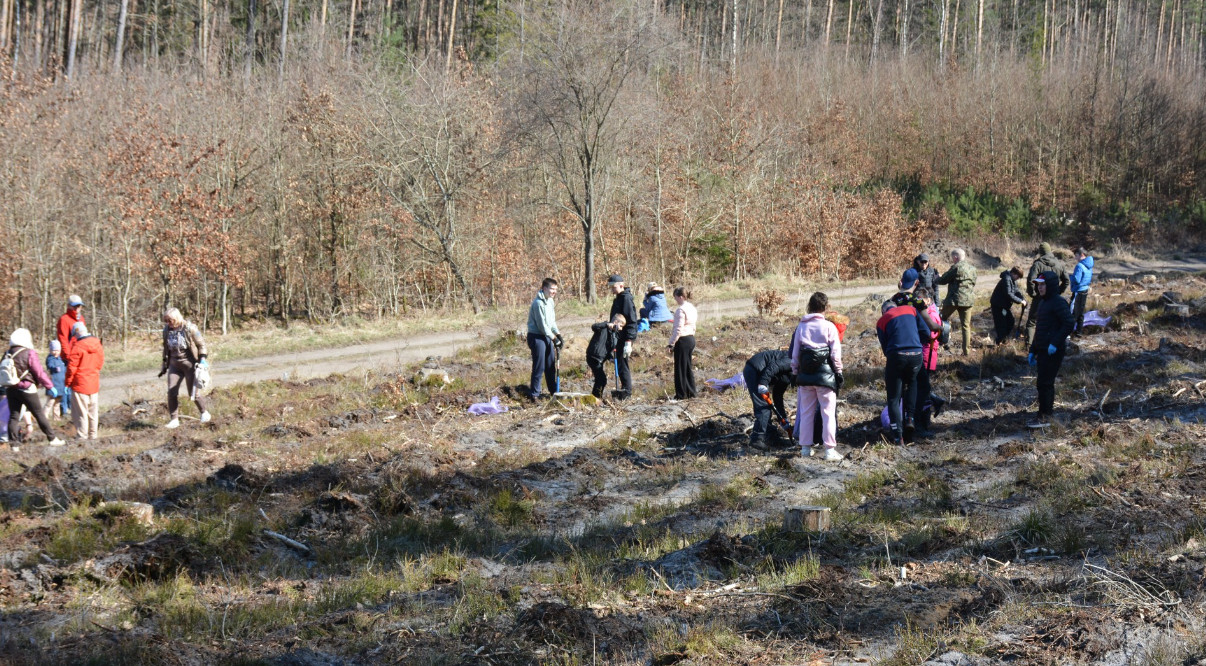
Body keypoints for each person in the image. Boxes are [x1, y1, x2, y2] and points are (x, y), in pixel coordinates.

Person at [792, 292, 844, 462]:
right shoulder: (830, 327)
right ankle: (829, 450)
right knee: (828, 412)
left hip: (805, 376)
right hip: (825, 377)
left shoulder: (801, 327)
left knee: (806, 412)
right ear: (825, 307)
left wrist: (795, 372)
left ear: (810, 306)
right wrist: (838, 372)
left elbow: (795, 354)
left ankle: (805, 449)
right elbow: (835, 354)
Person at [876, 288, 930, 444]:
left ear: (883, 311)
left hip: (896, 356)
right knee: (913, 383)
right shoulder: (912, 310)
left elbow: (886, 348)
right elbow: (926, 333)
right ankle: (910, 419)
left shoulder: (882, 321)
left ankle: (897, 436)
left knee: (894, 397)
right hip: (916, 355)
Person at [3, 329, 64, 449]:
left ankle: (14, 445)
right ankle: (52, 438)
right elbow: (39, 372)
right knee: (39, 414)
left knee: (14, 416)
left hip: (11, 388)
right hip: (27, 388)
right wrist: (50, 386)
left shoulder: (7, 353)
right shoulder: (29, 353)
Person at [1028, 271, 1075, 426]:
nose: (1040, 288)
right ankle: (1043, 413)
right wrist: (1033, 349)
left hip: (1053, 350)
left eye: (1042, 284)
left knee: (1046, 383)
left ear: (1051, 285)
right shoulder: (1042, 303)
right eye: (1038, 285)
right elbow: (1040, 328)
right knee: (1041, 383)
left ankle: (1045, 417)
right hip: (1042, 349)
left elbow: (1069, 323)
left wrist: (1055, 343)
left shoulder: (1058, 302)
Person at [159, 308, 211, 428]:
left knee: (193, 393)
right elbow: (165, 347)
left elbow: (201, 344)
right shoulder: (166, 330)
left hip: (189, 364)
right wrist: (164, 363)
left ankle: (204, 413)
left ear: (176, 319)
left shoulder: (189, 328)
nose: (168, 323)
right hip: (174, 365)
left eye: (170, 320)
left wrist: (202, 359)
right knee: (171, 392)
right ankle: (174, 419)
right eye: (166, 321)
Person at [743, 349, 794, 451]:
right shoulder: (792, 361)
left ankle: (771, 436)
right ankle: (757, 439)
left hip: (760, 372)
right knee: (763, 407)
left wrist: (783, 418)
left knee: (767, 406)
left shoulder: (789, 376)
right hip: (755, 369)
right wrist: (763, 383)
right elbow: (773, 367)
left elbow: (778, 396)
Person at [65, 323, 104, 440]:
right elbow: (100, 362)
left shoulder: (77, 347)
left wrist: (67, 383)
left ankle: (82, 436)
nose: (74, 338)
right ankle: (93, 435)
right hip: (93, 382)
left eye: (74, 335)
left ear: (77, 332)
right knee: (93, 412)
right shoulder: (97, 343)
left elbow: (72, 368)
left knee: (81, 413)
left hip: (80, 384)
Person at [1025, 242, 1069, 345]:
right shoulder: (1059, 263)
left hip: (1040, 297)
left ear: (1040, 252)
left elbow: (1031, 280)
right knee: (1052, 321)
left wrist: (1034, 294)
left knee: (1032, 322)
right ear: (1050, 251)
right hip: (1054, 297)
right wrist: (1059, 291)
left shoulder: (1037, 264)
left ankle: (1030, 345)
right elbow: (1066, 280)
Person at [525, 278, 563, 399]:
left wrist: (558, 335)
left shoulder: (550, 301)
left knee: (550, 365)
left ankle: (554, 392)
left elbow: (551, 322)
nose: (554, 292)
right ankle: (534, 394)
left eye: (555, 289)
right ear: (544, 288)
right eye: (552, 289)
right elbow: (542, 326)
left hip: (546, 336)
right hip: (536, 336)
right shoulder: (538, 303)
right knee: (539, 366)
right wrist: (553, 338)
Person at [935, 248, 977, 356]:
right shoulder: (973, 268)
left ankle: (937, 343)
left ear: (955, 257)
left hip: (954, 300)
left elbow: (943, 280)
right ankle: (966, 351)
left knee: (940, 319)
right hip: (968, 300)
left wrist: (937, 278)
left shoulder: (956, 267)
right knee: (966, 326)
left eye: (952, 257)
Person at [607, 275, 639, 399]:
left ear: (621, 285)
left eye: (613, 287)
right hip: (618, 337)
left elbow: (631, 321)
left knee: (622, 364)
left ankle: (627, 391)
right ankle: (624, 389)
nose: (612, 290)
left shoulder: (626, 299)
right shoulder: (618, 298)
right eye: (610, 287)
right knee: (619, 364)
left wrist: (629, 341)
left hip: (624, 337)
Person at [667, 286, 697, 400]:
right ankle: (691, 392)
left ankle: (681, 395)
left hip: (683, 340)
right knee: (687, 367)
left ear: (680, 297)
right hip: (691, 339)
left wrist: (671, 343)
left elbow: (678, 329)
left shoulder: (681, 310)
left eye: (676, 298)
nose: (676, 301)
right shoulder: (692, 308)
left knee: (679, 368)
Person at [586, 314, 623, 399]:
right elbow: (594, 326)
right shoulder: (603, 327)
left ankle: (596, 397)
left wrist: (610, 358)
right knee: (601, 379)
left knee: (601, 379)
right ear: (616, 322)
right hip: (593, 356)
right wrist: (606, 324)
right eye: (621, 326)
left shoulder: (614, 335)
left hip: (600, 359)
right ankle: (595, 398)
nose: (621, 328)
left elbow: (608, 349)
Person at [990, 267, 1027, 344]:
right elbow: (1008, 294)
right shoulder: (1006, 279)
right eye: (1018, 276)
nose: (1018, 279)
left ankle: (1003, 339)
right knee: (1001, 325)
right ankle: (998, 342)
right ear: (1013, 273)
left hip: (1004, 306)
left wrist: (1022, 299)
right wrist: (1020, 301)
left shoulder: (1012, 280)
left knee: (1010, 321)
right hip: (998, 306)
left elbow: (1016, 291)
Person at [1069, 247, 1094, 335]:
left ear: (1081, 255)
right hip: (1085, 290)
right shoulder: (1089, 265)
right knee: (1081, 312)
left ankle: (1068, 332)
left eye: (1076, 256)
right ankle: (1079, 331)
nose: (1075, 258)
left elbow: (1077, 279)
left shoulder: (1079, 265)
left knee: (1072, 312)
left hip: (1078, 291)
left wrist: (1070, 277)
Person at [45, 340, 69, 421]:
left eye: (57, 350)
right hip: (53, 385)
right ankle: (44, 417)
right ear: (50, 350)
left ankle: (56, 418)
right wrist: (54, 368)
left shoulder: (60, 360)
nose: (55, 352)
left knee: (57, 403)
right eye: (53, 350)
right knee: (50, 403)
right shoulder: (50, 359)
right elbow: (49, 366)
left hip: (61, 385)